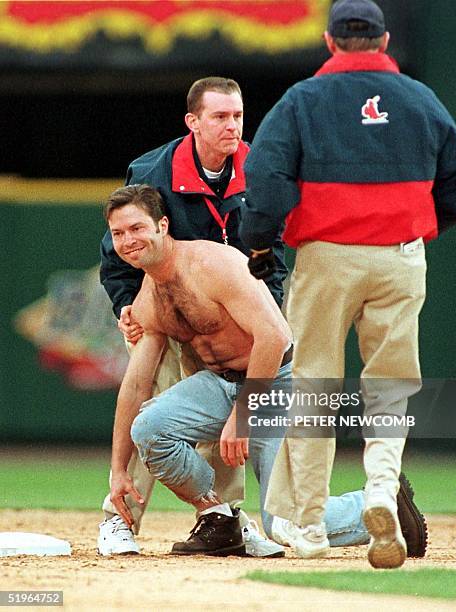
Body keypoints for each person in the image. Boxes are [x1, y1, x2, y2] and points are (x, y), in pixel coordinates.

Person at [239, 0, 456, 567]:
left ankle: (309, 525)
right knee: (391, 386)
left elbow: (267, 180)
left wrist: (258, 244)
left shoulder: (302, 99)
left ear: (328, 41)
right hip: (400, 257)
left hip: (327, 257)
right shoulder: (421, 98)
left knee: (315, 385)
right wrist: (414, 232)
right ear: (383, 39)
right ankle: (379, 489)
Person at [98, 77, 288, 558]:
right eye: (220, 117)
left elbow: (274, 256)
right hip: (163, 315)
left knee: (227, 422)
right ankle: (119, 516)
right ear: (193, 122)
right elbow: (118, 249)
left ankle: (223, 521)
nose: (233, 126)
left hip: (234, 322)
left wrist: (262, 319)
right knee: (150, 404)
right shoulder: (153, 173)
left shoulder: (261, 171)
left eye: (239, 116)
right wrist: (127, 306)